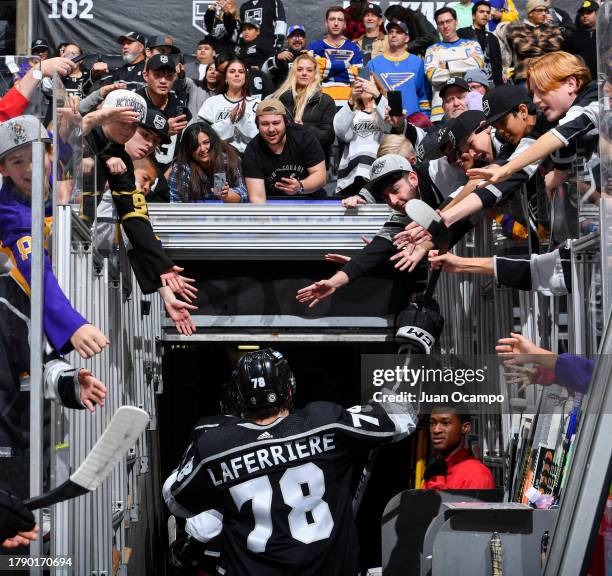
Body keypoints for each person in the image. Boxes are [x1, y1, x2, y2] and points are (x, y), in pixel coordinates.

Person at [164, 348, 415, 576]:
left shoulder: (215, 445)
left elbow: (176, 501)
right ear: (290, 389)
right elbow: (402, 416)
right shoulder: (324, 420)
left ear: (239, 396)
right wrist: (414, 343)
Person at [0, 115, 109, 358]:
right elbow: (34, 269)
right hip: (17, 304)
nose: (31, 168)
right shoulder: (12, 214)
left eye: (37, 156)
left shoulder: (52, 165)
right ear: (2, 169)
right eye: (17, 161)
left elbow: (68, 143)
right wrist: (73, 324)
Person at [297, 155, 439, 307]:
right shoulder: (399, 214)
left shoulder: (438, 173)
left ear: (413, 178)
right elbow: (372, 253)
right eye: (385, 197)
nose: (393, 201)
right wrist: (333, 283)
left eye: (395, 190)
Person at [467, 52, 597, 191]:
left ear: (571, 84)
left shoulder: (597, 94)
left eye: (541, 90)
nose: (535, 100)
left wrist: (506, 170)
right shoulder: (551, 122)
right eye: (533, 93)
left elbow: (559, 134)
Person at [242, 99, 327, 202]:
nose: (271, 129)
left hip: (310, 201)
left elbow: (320, 176)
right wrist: (263, 218)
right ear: (258, 126)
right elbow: (257, 197)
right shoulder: (252, 151)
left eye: (276, 123)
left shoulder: (303, 136)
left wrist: (300, 186)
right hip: (274, 206)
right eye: (264, 124)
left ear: (286, 122)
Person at [272, 53, 336, 162]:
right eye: (300, 69)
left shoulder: (326, 101)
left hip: (314, 163)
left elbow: (328, 138)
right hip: (284, 161)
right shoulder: (279, 99)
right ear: (294, 72)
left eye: (309, 70)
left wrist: (305, 129)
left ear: (315, 74)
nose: (304, 73)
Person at [334, 76, 390, 198]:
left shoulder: (383, 109)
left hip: (378, 170)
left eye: (368, 83)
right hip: (353, 174)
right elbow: (340, 131)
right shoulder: (352, 112)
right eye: (360, 83)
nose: (364, 86)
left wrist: (376, 93)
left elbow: (390, 124)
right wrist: (351, 101)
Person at [425, 8, 484, 122]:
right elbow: (432, 76)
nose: (445, 26)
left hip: (470, 105)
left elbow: (478, 64)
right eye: (441, 23)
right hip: (440, 110)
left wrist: (447, 66)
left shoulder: (472, 45)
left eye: (449, 21)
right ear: (437, 27)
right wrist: (464, 68)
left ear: (456, 22)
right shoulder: (432, 50)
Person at [169, 122, 248, 203]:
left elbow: (244, 195)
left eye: (206, 142)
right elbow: (175, 202)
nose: (202, 149)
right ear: (188, 149)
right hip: (193, 213)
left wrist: (226, 195)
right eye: (195, 145)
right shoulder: (182, 167)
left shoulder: (226, 161)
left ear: (213, 141)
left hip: (224, 212)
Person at [136, 54, 191, 171]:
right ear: (145, 75)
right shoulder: (135, 101)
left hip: (168, 170)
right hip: (136, 165)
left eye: (169, 76)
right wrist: (164, 128)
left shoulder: (178, 106)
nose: (163, 81)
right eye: (157, 75)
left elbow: (181, 147)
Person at [367, 20, 431, 120]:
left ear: (407, 38)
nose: (393, 35)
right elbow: (368, 96)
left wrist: (425, 117)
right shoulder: (373, 64)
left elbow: (423, 94)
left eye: (398, 32)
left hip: (412, 121)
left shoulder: (418, 63)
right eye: (391, 32)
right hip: (382, 121)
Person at [197, 58, 259, 154]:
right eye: (232, 71)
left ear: (245, 78)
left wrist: (242, 120)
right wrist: (229, 121)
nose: (237, 74)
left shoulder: (256, 103)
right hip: (217, 157)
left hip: (249, 158)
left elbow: (260, 137)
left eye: (241, 72)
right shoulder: (212, 102)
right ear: (225, 77)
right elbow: (202, 135)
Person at [422, 408, 495, 490]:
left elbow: (435, 502)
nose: (436, 430)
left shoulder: (476, 475)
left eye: (445, 423)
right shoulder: (435, 468)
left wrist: (437, 484)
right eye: (432, 423)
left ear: (465, 427)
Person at [308, 7, 363, 107]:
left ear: (345, 24)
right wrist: (346, 65)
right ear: (326, 23)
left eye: (340, 20)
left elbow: (359, 77)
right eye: (332, 19)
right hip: (320, 103)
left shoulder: (354, 48)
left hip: (349, 104)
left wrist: (326, 67)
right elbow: (312, 74)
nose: (336, 23)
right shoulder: (313, 47)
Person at [505, 0, 564, 86]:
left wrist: (532, 42)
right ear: (530, 13)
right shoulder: (516, 27)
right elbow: (523, 48)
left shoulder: (552, 28)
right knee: (526, 99)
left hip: (548, 74)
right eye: (540, 10)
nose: (544, 13)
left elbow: (556, 46)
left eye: (545, 10)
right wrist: (546, 44)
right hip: (525, 75)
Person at [457, 1, 504, 86]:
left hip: (491, 85)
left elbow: (498, 65)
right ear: (473, 16)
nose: (485, 14)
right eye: (481, 12)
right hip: (469, 83)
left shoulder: (493, 38)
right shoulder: (461, 33)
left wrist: (499, 85)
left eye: (488, 12)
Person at [563, 0, 598, 80]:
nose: (585, 16)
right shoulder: (572, 37)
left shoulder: (606, 34)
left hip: (606, 81)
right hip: (583, 81)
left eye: (588, 13)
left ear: (598, 14)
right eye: (582, 14)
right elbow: (566, 61)